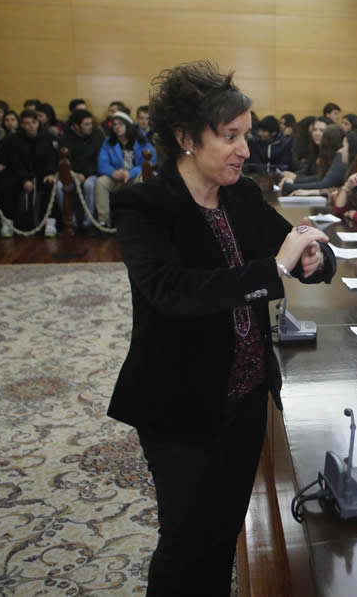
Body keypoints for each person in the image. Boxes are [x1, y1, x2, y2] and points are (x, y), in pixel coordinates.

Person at [108, 61, 336, 595]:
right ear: (186, 137)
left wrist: (314, 258)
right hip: (179, 403)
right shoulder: (146, 207)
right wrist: (274, 267)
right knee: (186, 539)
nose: (244, 150)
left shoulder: (241, 197)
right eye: (229, 137)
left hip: (246, 397)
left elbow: (297, 244)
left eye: (246, 136)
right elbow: (172, 292)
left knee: (225, 530)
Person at [95, 111, 156, 227]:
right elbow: (102, 163)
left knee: (146, 178)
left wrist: (130, 173)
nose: (117, 127)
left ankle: (144, 218)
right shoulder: (108, 142)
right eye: (114, 124)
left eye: (120, 124)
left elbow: (150, 161)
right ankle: (104, 220)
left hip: (134, 176)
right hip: (116, 177)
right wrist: (113, 172)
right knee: (101, 182)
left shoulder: (141, 139)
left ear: (128, 125)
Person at [8, 109, 58, 235]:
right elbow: (15, 162)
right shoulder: (15, 140)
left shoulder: (48, 137)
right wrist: (24, 179)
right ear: (21, 125)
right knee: (7, 185)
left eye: (34, 122)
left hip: (43, 174)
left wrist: (50, 173)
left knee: (50, 185)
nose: (31, 126)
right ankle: (9, 222)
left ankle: (50, 222)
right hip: (22, 175)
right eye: (27, 123)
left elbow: (52, 158)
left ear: (38, 123)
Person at [57, 108, 104, 234]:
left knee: (90, 185)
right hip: (71, 175)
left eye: (91, 123)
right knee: (59, 187)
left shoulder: (98, 136)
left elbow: (99, 160)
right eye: (86, 124)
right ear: (76, 126)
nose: (90, 127)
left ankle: (88, 224)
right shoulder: (65, 139)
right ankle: (70, 222)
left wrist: (86, 174)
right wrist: (73, 174)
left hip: (92, 173)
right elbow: (62, 162)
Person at [281, 125, 351, 196]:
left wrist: (292, 184)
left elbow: (325, 183)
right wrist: (294, 180)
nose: (317, 134)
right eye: (315, 130)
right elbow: (320, 177)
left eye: (321, 131)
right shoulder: (318, 150)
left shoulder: (339, 154)